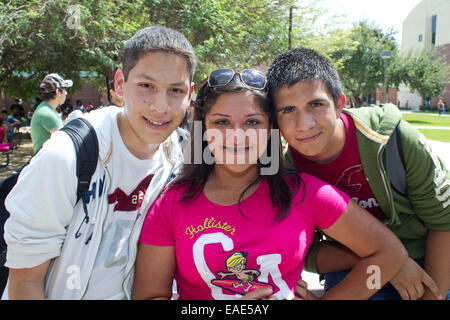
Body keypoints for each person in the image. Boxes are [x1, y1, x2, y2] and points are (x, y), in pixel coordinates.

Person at [132, 68, 407, 300]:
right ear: (203, 129)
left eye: (252, 122)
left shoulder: (306, 193)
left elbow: (389, 254)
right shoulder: (170, 204)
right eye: (222, 122)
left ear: (271, 130)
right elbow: (148, 296)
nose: (237, 136)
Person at [2, 25, 197, 300]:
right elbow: (25, 281)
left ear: (189, 93)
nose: (160, 106)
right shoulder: (68, 156)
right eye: (146, 86)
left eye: (175, 90)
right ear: (119, 83)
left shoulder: (180, 160)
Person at [266, 47, 450, 300]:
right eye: (288, 110)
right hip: (354, 264)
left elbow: (444, 222)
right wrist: (387, 261)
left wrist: (433, 295)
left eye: (316, 104)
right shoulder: (285, 171)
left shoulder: (394, 140)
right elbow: (303, 251)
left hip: (428, 257)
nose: (304, 123)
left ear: (340, 104)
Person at [29, 73, 71, 154]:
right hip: (46, 164)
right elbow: (65, 142)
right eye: (65, 89)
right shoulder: (47, 113)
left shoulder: (45, 109)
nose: (66, 93)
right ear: (58, 92)